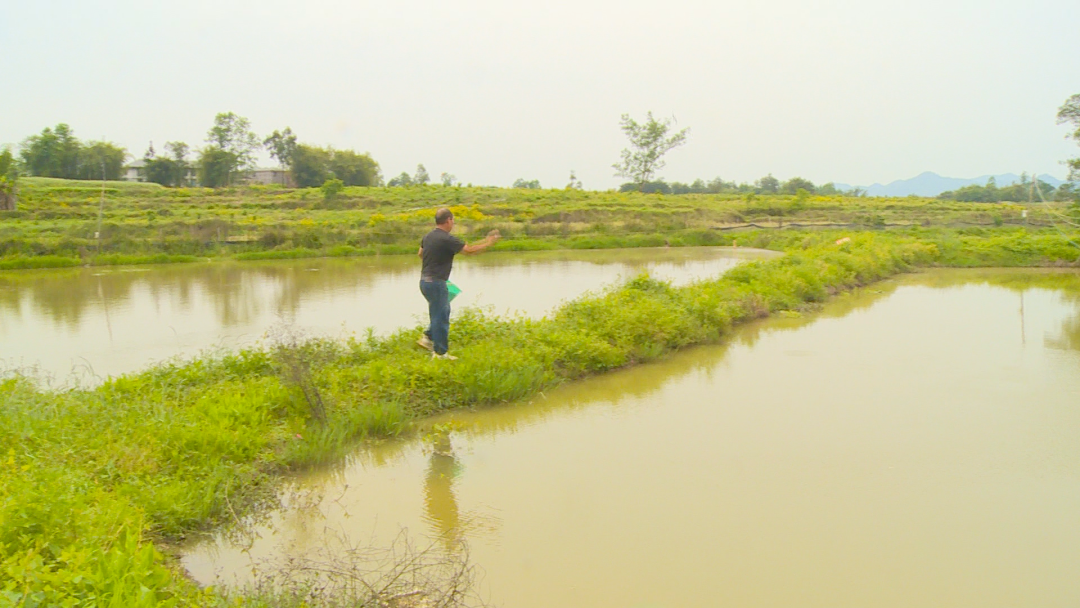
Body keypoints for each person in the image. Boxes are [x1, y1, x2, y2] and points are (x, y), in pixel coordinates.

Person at [417, 208, 500, 359]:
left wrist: (434, 264)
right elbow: (469, 251)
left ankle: (428, 337)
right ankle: (440, 353)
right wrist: (488, 243)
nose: (453, 223)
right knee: (441, 317)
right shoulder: (447, 239)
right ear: (448, 220)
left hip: (424, 282)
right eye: (453, 220)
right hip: (436, 282)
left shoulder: (428, 236)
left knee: (440, 311)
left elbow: (420, 254)